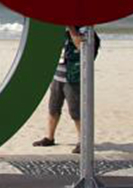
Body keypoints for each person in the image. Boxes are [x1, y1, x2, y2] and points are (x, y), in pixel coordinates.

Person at [33, 26, 101, 154]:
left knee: (76, 112)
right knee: (53, 108)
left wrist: (71, 28)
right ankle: (49, 137)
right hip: (57, 77)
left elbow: (81, 48)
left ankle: (83, 141)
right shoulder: (62, 33)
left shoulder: (86, 32)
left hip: (73, 79)